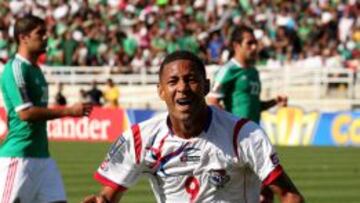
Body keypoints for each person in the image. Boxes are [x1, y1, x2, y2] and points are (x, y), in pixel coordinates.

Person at [82, 50, 303, 203]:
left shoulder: (244, 134)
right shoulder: (139, 138)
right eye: (173, 81)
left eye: (191, 79)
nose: (182, 88)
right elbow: (107, 196)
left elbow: (289, 195)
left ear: (206, 86)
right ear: (160, 91)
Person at [0, 15, 93, 203]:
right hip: (19, 158)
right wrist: (68, 111)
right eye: (40, 33)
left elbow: (13, 116)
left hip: (43, 157)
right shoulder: (16, 68)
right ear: (23, 37)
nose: (45, 37)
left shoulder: (36, 70)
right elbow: (25, 113)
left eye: (45, 33)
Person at [207, 25, 288, 203]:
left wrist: (275, 101)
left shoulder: (253, 72)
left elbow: (253, 105)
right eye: (249, 43)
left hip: (254, 139)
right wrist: (229, 127)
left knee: (266, 193)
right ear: (236, 45)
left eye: (255, 43)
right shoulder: (228, 70)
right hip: (234, 142)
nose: (254, 47)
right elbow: (212, 102)